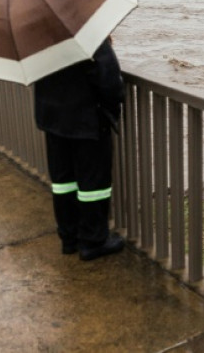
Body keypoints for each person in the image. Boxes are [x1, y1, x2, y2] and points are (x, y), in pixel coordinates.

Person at [34, 37, 125, 261]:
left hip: (53, 119)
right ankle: (93, 241)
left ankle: (69, 238)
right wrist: (111, 110)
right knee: (94, 185)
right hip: (86, 121)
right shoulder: (87, 32)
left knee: (63, 182)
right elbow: (110, 82)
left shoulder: (35, 36)